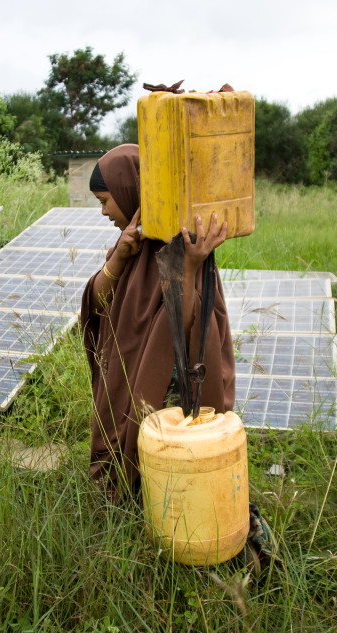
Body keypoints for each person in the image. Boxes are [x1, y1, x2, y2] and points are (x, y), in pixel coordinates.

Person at [80, 143, 235, 503]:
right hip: (130, 390)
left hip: (171, 405)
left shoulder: (184, 246)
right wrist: (118, 257)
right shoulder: (131, 249)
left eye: (105, 201)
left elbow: (186, 331)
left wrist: (190, 268)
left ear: (129, 191)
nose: (103, 212)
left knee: (168, 484)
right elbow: (96, 305)